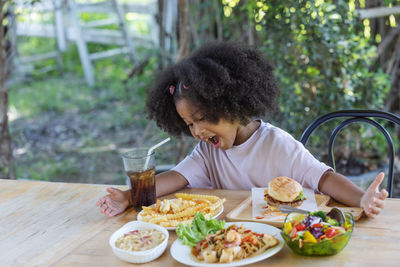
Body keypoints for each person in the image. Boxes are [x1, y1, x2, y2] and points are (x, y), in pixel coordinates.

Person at [96, 42, 388, 218]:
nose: (197, 131)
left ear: (232, 103)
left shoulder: (278, 146)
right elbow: (172, 178)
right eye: (189, 124)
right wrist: (128, 196)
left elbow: (325, 178)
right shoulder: (207, 152)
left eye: (202, 117)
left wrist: (361, 199)